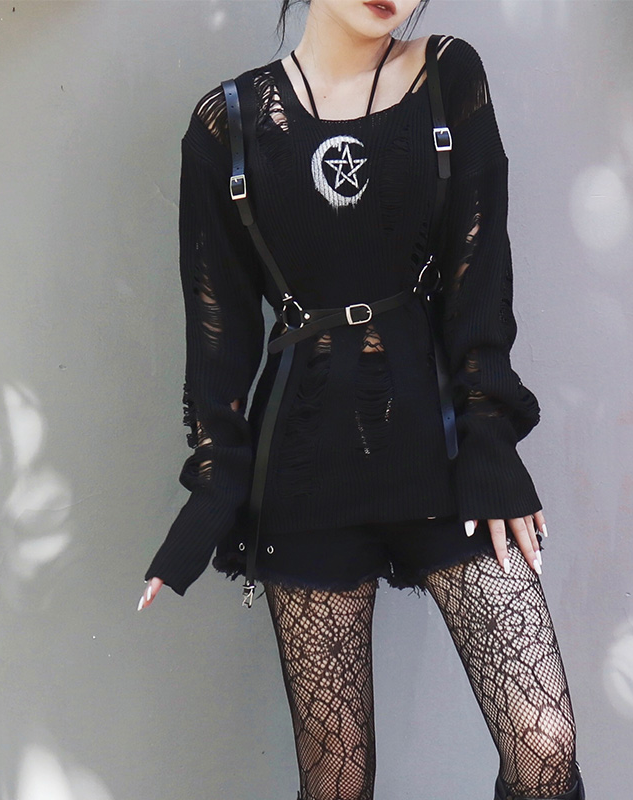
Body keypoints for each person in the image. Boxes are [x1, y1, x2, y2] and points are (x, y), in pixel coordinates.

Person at [138, 2, 585, 798]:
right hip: (304, 473)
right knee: (336, 779)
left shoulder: (447, 75)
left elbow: (480, 275)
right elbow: (219, 334)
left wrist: (491, 443)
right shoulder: (226, 123)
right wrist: (211, 498)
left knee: (543, 746)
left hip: (444, 454)